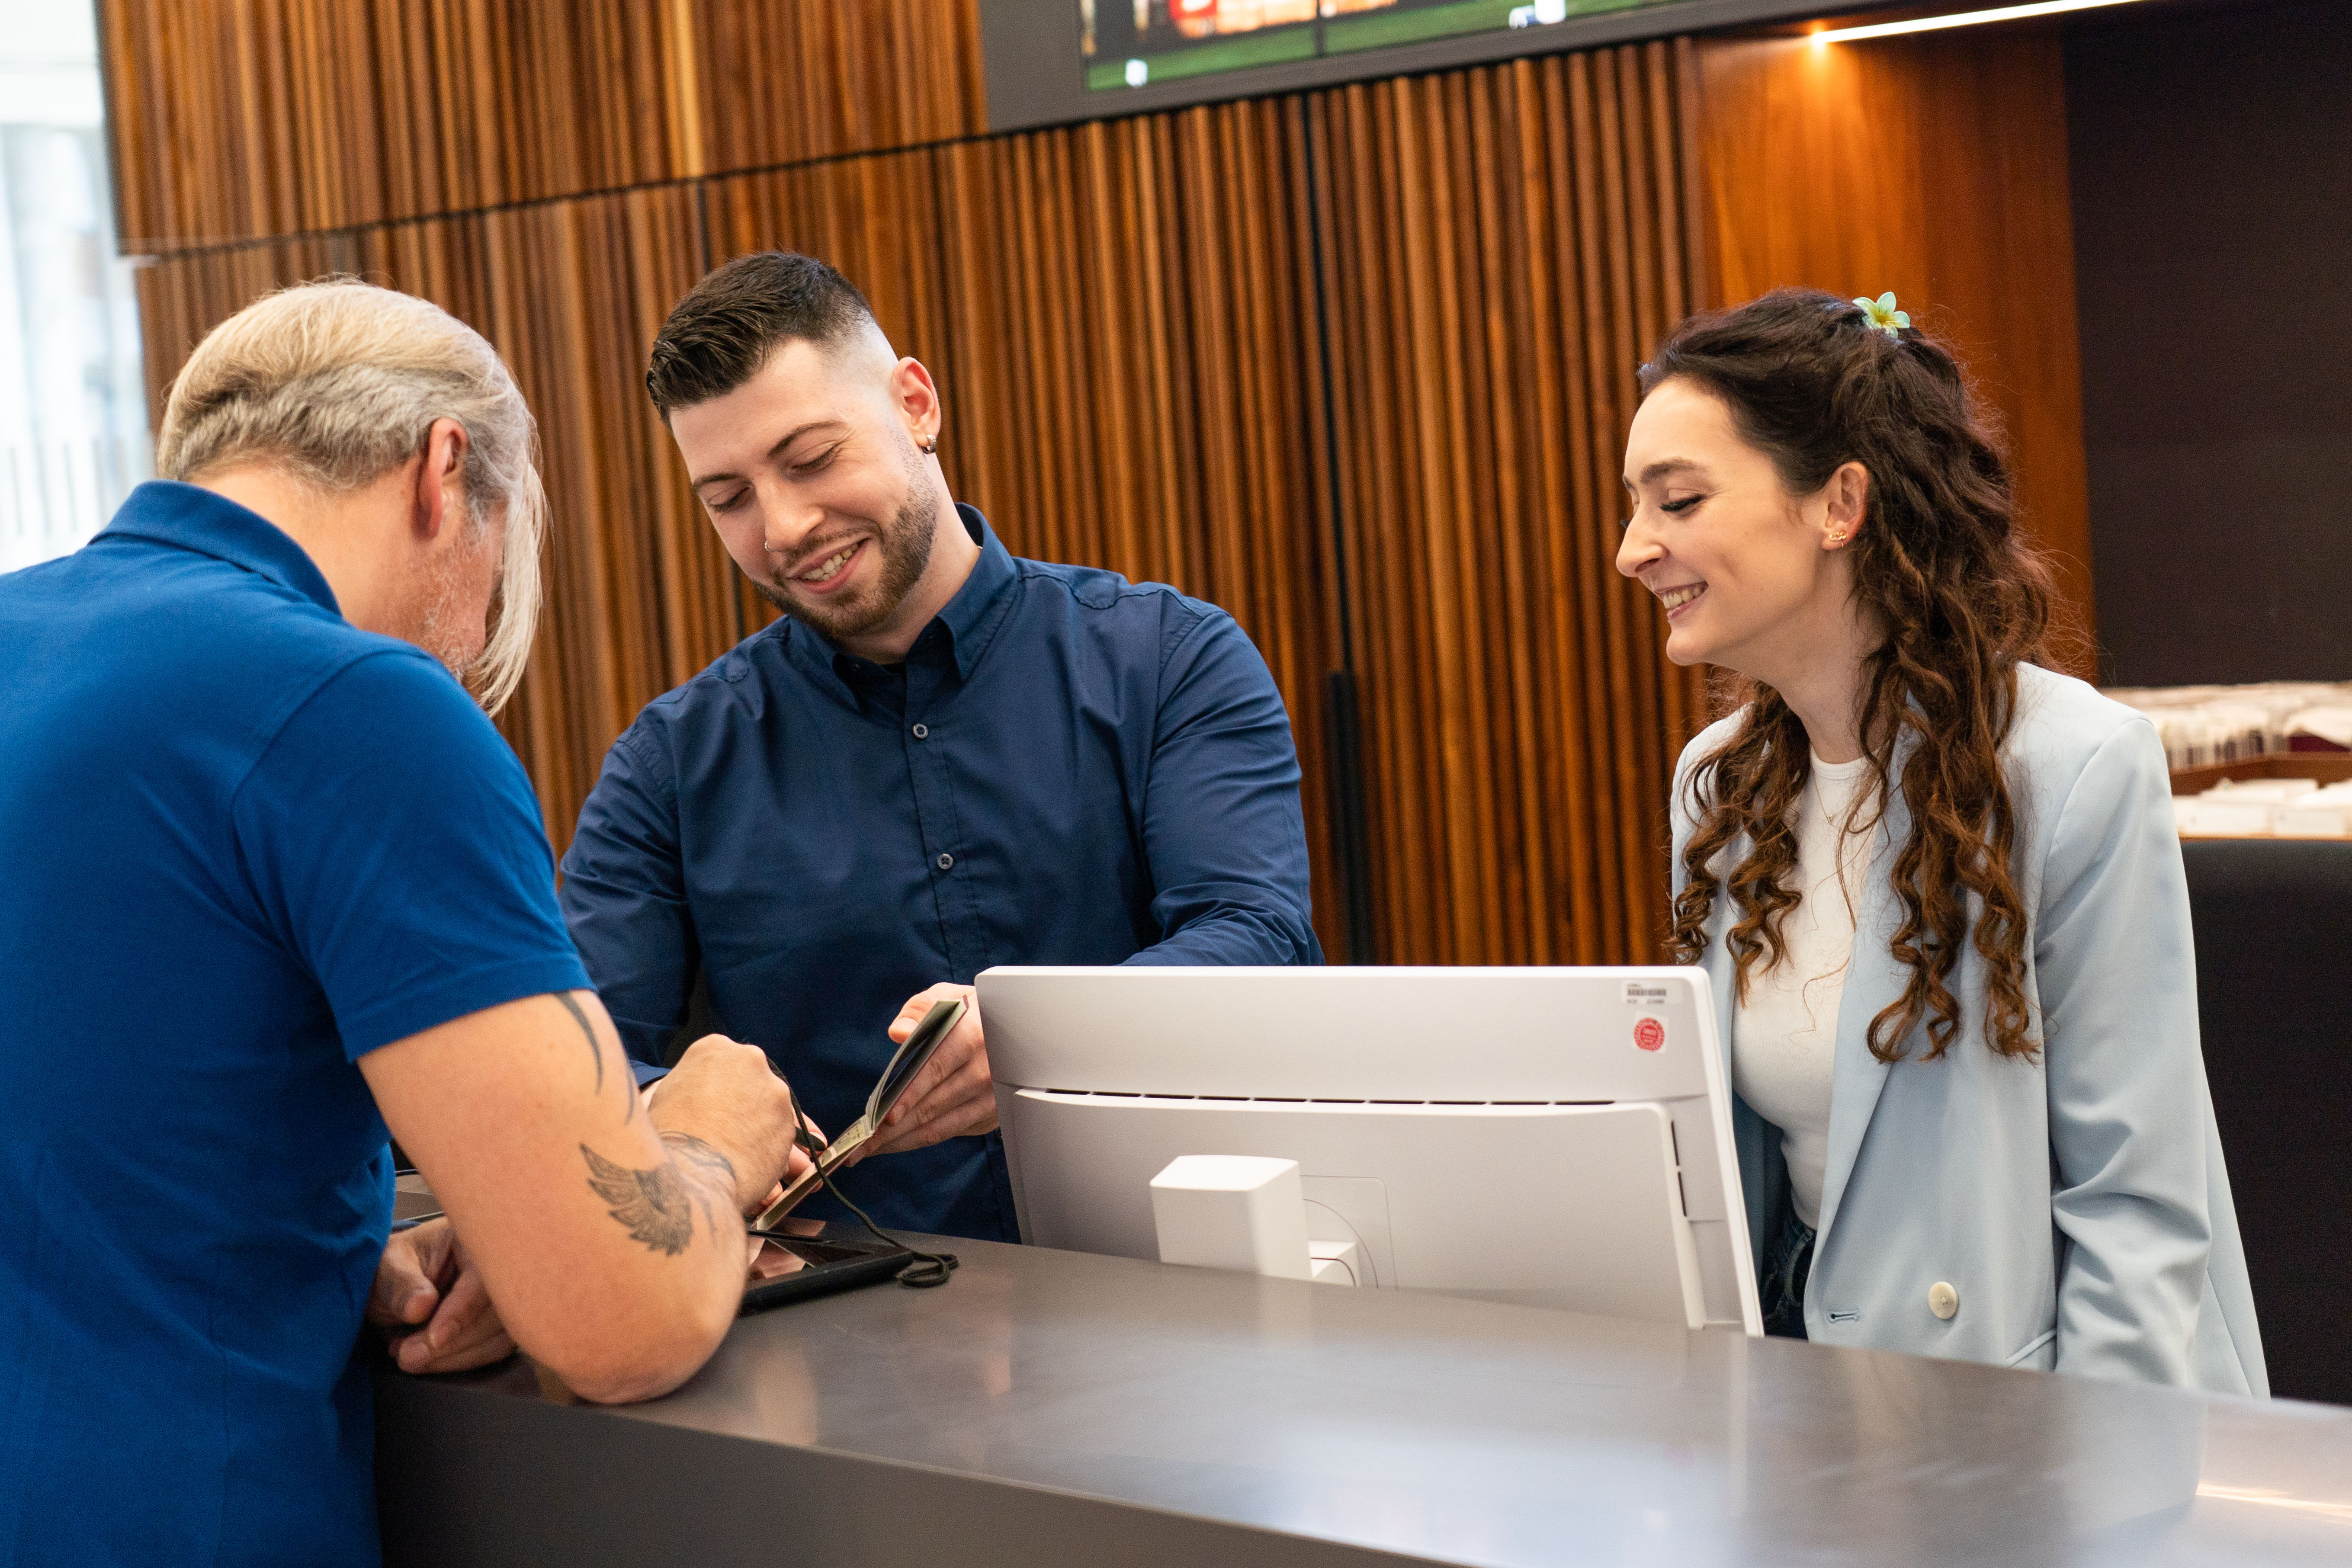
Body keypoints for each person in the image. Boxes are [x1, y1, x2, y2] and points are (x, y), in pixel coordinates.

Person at [0, 280, 808, 1568]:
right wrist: (710, 1140)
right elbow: (621, 1322)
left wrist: (313, 1246)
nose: (477, 629)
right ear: (445, 471)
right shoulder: (358, 704)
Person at [559, 252, 1322, 1241]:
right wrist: (692, 1123)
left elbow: (1258, 937)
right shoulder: (669, 765)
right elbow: (578, 1059)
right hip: (845, 1337)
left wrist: (1035, 1033)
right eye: (728, 498)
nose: (784, 526)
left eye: (809, 459)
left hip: (1171, 1275)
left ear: (915, 405)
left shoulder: (1169, 660)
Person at [1616, 287, 2265, 1392]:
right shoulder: (1715, 786)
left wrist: (2092, 1494)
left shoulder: (2073, 767)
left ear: (1839, 504)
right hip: (1812, 1412)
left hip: (2038, 1420)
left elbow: (2134, 1208)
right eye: (1634, 507)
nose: (1634, 550)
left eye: (1677, 501)